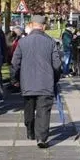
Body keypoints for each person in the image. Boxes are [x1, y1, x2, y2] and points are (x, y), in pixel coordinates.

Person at [12, 15, 61, 147]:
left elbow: (15, 62)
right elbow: (57, 64)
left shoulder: (23, 42)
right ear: (43, 26)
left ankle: (30, 129)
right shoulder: (51, 42)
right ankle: (42, 138)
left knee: (29, 107)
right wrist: (55, 79)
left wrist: (15, 78)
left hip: (27, 82)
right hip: (45, 82)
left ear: (32, 25)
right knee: (43, 110)